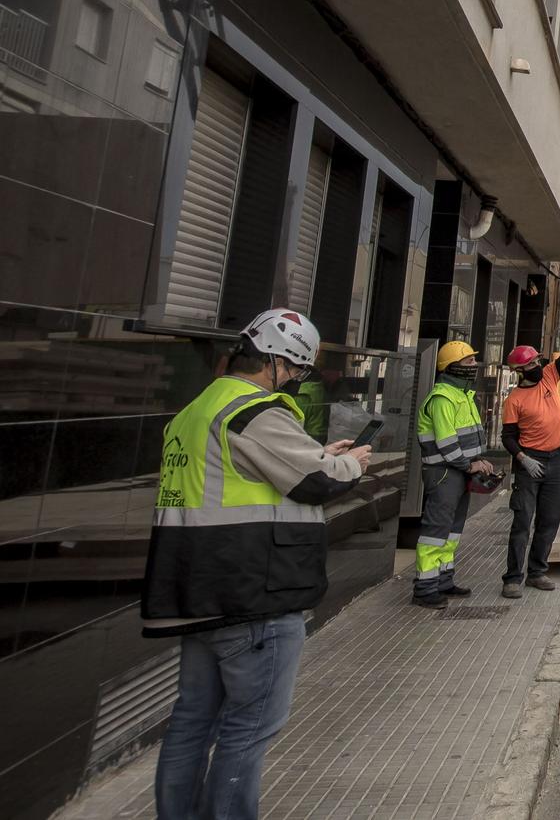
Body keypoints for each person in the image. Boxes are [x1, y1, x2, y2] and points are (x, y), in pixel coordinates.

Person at [143, 308, 372, 820]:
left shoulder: (196, 411)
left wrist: (313, 453)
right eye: (293, 370)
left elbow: (244, 473)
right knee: (248, 729)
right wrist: (347, 463)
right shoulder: (256, 409)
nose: (292, 381)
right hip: (252, 591)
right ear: (272, 360)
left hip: (193, 587)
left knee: (191, 722)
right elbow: (320, 481)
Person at [413, 341, 500, 608]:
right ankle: (425, 588)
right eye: (468, 362)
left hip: (458, 471)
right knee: (436, 530)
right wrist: (469, 465)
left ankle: (444, 579)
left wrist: (479, 460)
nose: (475, 366)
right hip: (444, 473)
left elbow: (467, 439)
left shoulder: (463, 395)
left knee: (452, 530)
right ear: (452, 367)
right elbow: (447, 443)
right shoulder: (442, 398)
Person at [499, 332, 560, 597]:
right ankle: (512, 578)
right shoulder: (514, 400)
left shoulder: (549, 377)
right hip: (529, 462)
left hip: (554, 460)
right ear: (519, 371)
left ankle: (537, 572)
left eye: (536, 363)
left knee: (551, 518)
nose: (536, 368)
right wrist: (523, 459)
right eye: (530, 365)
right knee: (522, 520)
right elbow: (507, 437)